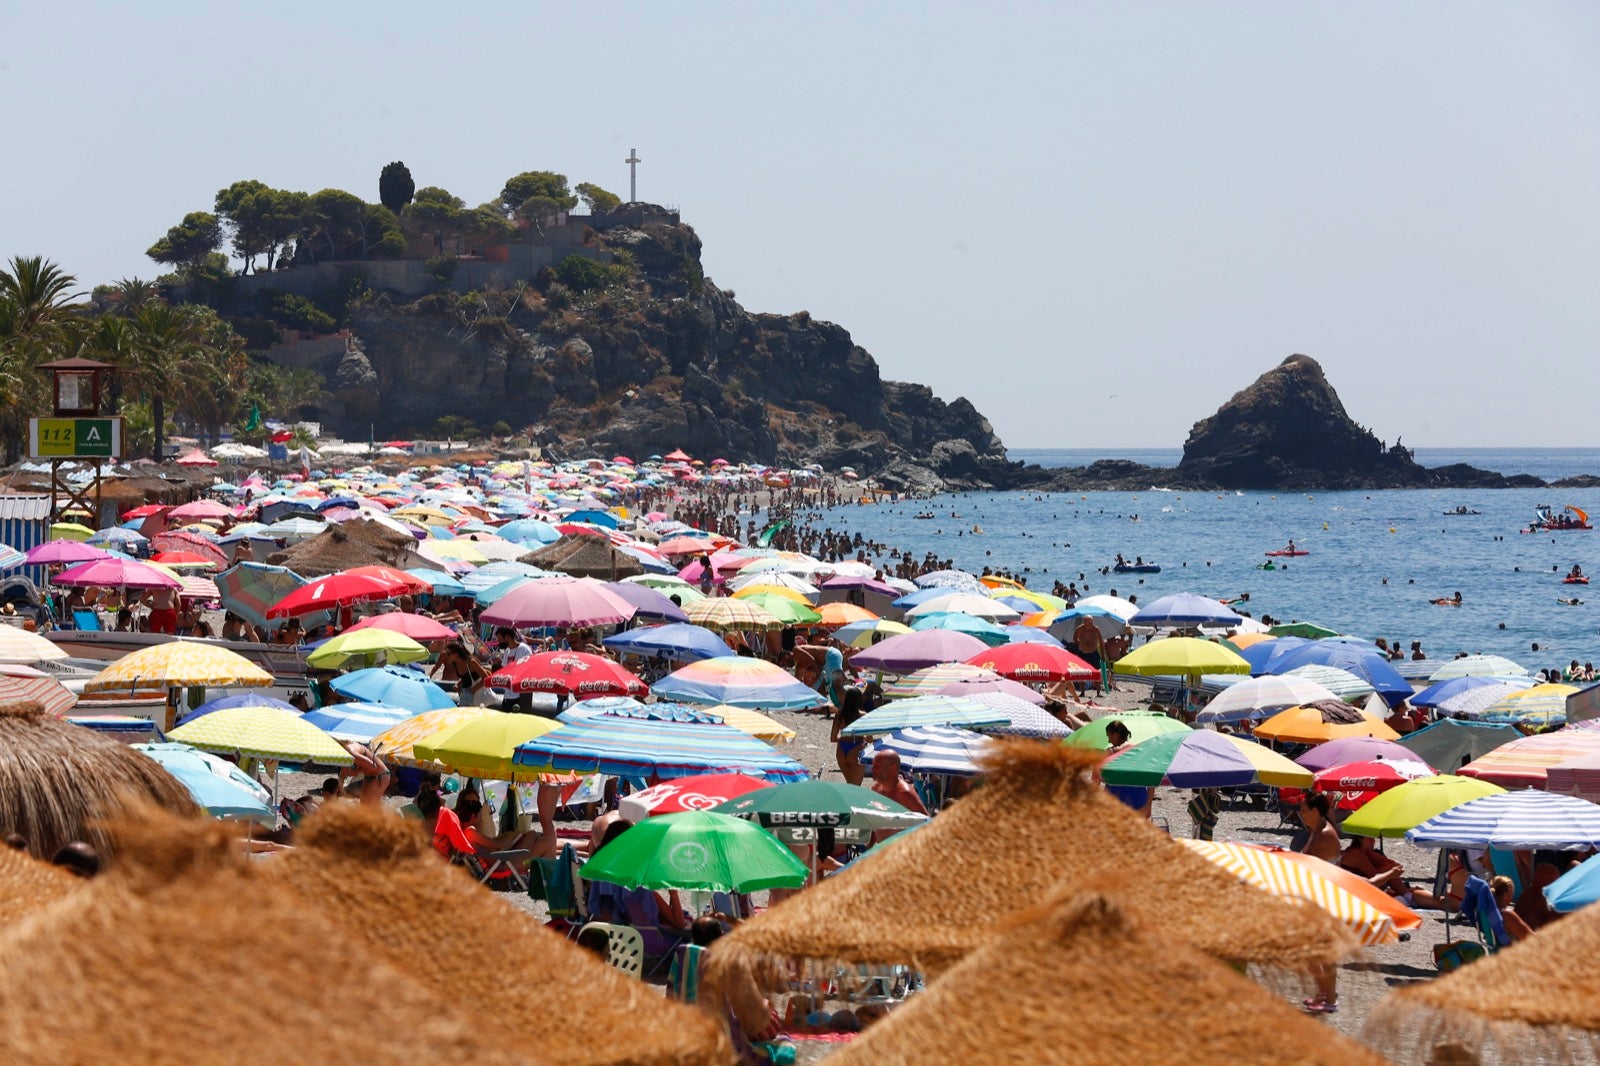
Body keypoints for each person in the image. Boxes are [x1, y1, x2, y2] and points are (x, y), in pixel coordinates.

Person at [1101, 720, 1152, 817]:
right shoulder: (1141, 751)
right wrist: (1149, 804)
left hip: (1115, 800)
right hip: (1139, 800)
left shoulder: (1110, 753)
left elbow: (1097, 777)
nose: (1109, 741)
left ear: (1116, 735)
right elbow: (1152, 779)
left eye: (1109, 736)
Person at [868, 750, 927, 816]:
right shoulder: (876, 789)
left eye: (877, 767)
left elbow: (927, 821)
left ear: (892, 769)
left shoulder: (905, 794)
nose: (872, 770)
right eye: (873, 767)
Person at [831, 687, 868, 785]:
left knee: (849, 783)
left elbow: (833, 738)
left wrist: (842, 738)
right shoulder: (863, 716)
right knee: (855, 786)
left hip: (841, 749)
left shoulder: (839, 715)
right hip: (856, 748)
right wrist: (864, 738)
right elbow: (870, 738)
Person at [1297, 791, 1341, 863]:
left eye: (1304, 810)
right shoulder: (1316, 829)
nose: (1300, 813)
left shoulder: (1324, 834)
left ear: (1315, 811)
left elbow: (1312, 865)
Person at [1492, 875, 1534, 942]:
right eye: (1512, 892)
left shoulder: (1489, 911)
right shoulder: (1507, 914)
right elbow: (1531, 938)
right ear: (1506, 894)